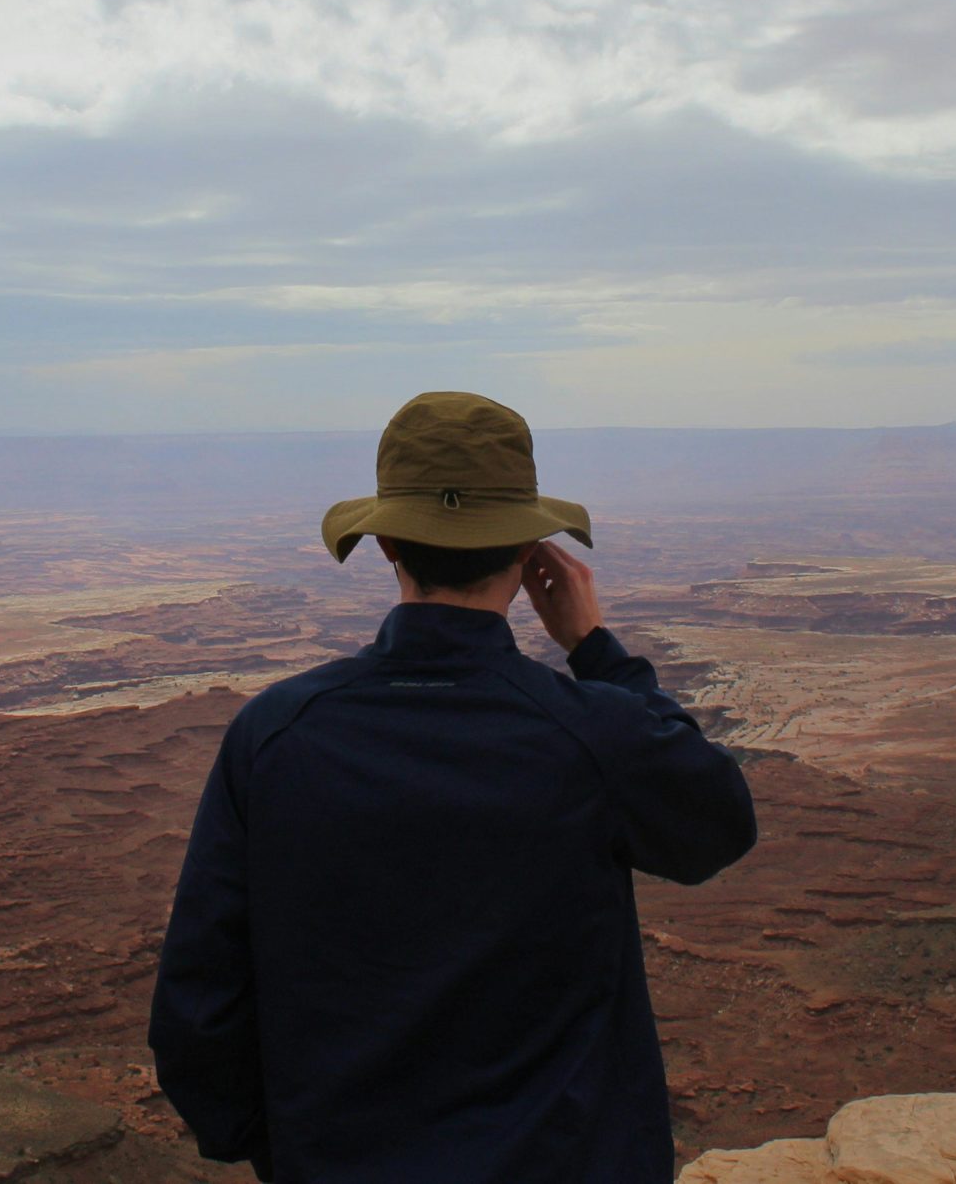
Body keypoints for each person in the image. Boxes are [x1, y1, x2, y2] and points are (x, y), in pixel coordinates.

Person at [148, 391, 759, 1182]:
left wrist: (280, 1146)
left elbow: (200, 1000)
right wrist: (597, 648)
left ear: (387, 542)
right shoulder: (593, 733)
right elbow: (718, 822)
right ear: (531, 548)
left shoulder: (276, 734)